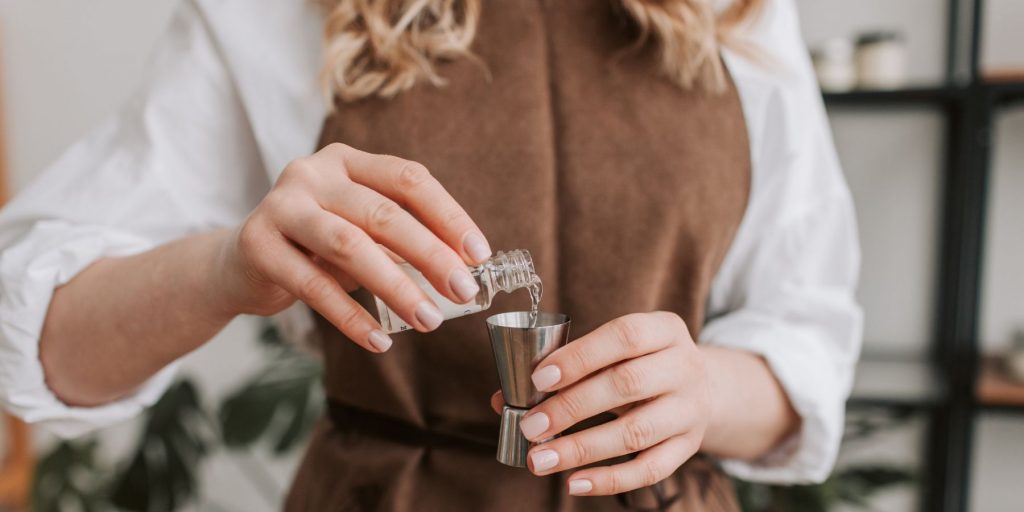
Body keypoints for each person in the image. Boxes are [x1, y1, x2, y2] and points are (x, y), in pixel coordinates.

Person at [0, 0, 862, 510]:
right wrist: (229, 267)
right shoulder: (265, 16)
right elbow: (45, 345)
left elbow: (809, 334)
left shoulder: (738, 11)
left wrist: (704, 391)